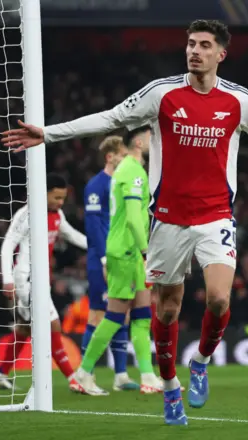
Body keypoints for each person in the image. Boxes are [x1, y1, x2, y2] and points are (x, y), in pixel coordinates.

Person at [2, 19, 248, 425]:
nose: (194, 51)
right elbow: (111, 118)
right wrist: (49, 134)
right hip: (167, 221)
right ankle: (169, 388)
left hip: (215, 216)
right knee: (166, 312)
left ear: (221, 54)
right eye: (190, 44)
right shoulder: (162, 94)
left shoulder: (238, 101)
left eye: (204, 45)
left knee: (219, 299)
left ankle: (199, 362)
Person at [73, 126, 164, 396]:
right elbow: (136, 218)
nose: (154, 139)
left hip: (132, 252)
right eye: (150, 136)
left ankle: (147, 374)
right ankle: (84, 372)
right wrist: (148, 251)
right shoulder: (132, 170)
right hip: (126, 251)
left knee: (141, 315)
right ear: (137, 141)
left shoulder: (131, 170)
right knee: (114, 316)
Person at [0, 174, 87, 392]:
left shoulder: (57, 214)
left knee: (25, 330)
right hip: (25, 280)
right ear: (44, 193)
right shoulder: (26, 214)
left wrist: (103, 247)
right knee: (52, 325)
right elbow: (8, 245)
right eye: (56, 197)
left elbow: (73, 236)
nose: (60, 202)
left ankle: (1, 373)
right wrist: (7, 280)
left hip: (42, 281)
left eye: (63, 198)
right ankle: (73, 379)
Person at [82, 136, 140, 391]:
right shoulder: (97, 185)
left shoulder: (120, 183)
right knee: (98, 314)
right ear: (110, 157)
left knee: (121, 315)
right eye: (121, 154)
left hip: (122, 258)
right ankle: (86, 376)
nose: (126, 157)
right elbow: (93, 226)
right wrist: (105, 258)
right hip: (102, 259)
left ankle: (120, 376)